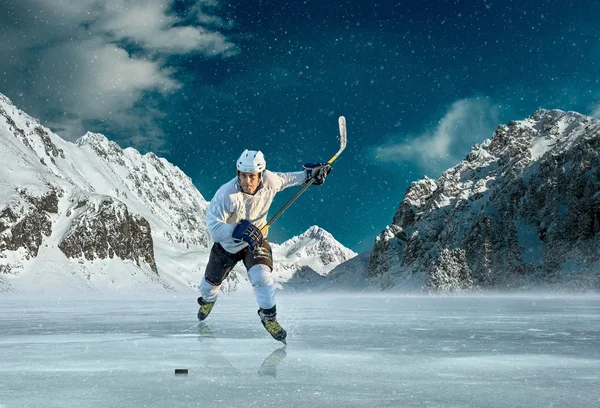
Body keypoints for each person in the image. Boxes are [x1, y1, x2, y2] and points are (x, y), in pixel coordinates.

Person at [197, 149, 331, 343]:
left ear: (260, 175)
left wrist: (311, 175)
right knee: (207, 287)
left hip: (257, 241)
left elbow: (288, 179)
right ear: (238, 173)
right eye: (243, 175)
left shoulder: (270, 180)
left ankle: (268, 317)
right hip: (227, 246)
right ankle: (208, 301)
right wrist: (236, 230)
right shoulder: (226, 194)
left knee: (263, 279)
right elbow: (213, 228)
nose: (247, 181)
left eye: (252, 176)